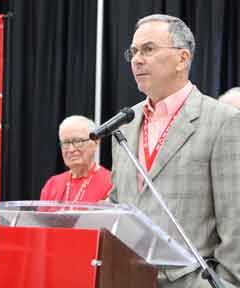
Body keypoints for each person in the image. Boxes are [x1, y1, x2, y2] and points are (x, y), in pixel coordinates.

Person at [110, 14, 240, 287]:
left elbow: (236, 222)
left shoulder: (222, 121)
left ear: (182, 58)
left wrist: (224, 283)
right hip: (126, 278)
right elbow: (118, 205)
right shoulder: (125, 123)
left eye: (148, 49)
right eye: (133, 51)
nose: (137, 59)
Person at [41, 115, 112, 202]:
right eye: (66, 142)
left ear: (96, 142)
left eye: (78, 141)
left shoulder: (111, 183)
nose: (71, 149)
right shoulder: (52, 185)